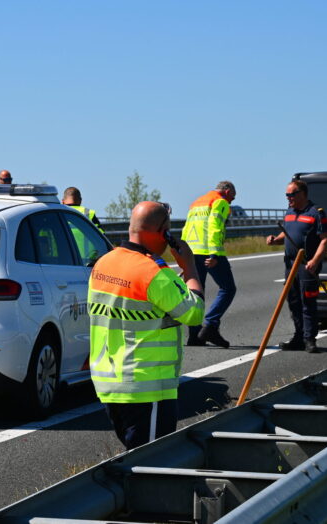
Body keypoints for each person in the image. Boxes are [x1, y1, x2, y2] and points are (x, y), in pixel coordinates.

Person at [88, 201, 204, 450]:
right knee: (152, 464)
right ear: (163, 233)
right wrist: (191, 269)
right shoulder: (154, 273)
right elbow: (194, 313)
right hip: (146, 386)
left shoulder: (103, 264)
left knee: (135, 458)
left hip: (109, 383)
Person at [266, 179, 327, 353]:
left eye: (291, 194)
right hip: (290, 265)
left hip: (306, 265)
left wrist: (314, 261)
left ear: (302, 193)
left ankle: (310, 339)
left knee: (307, 302)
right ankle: (298, 336)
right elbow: (286, 233)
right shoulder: (289, 212)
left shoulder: (316, 213)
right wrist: (275, 240)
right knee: (293, 302)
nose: (288, 198)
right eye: (287, 195)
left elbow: (325, 239)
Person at [181, 181, 237, 348]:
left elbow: (186, 228)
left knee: (197, 292)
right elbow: (215, 227)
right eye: (232, 198)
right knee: (228, 289)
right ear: (227, 192)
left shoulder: (196, 202)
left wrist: (183, 253)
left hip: (192, 252)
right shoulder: (220, 201)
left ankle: (194, 335)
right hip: (209, 252)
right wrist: (214, 254)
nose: (231, 202)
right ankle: (210, 325)